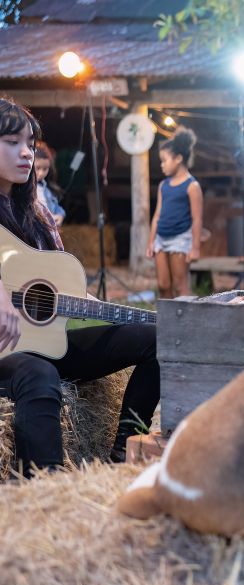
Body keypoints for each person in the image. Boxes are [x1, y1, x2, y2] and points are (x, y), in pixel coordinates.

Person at [0, 97, 159, 472]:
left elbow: (55, 280)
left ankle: (123, 453)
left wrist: (90, 304)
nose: (26, 153)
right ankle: (46, 489)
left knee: (157, 338)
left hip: (43, 341)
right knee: (41, 376)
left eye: (31, 144)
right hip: (8, 351)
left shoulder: (37, 216)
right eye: (12, 142)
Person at [146, 127, 203, 298]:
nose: (162, 165)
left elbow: (197, 218)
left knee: (180, 286)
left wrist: (195, 248)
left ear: (178, 159)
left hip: (180, 240)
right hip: (161, 239)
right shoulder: (163, 185)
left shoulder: (192, 186)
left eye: (164, 160)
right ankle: (166, 323)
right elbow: (157, 215)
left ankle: (186, 323)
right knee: (163, 285)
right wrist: (151, 242)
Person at [33, 141, 65, 226]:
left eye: (45, 169)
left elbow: (56, 207)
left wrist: (60, 215)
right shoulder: (22, 188)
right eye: (37, 168)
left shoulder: (47, 190)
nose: (41, 173)